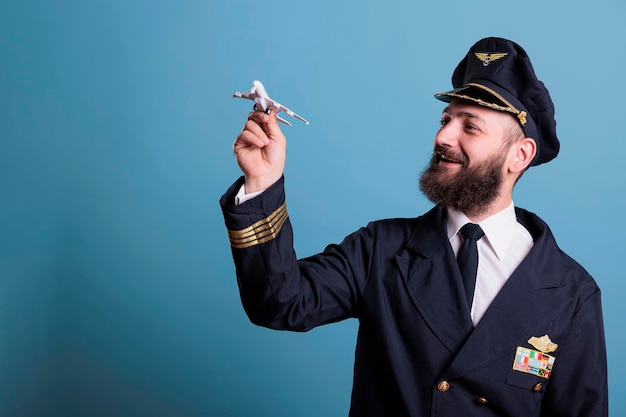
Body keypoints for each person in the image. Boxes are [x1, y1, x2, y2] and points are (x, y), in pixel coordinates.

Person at [220, 37, 608, 417]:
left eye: (469, 127)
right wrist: (262, 183)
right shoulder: (380, 248)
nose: (443, 136)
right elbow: (278, 303)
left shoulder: (572, 292)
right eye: (445, 120)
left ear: (519, 155)